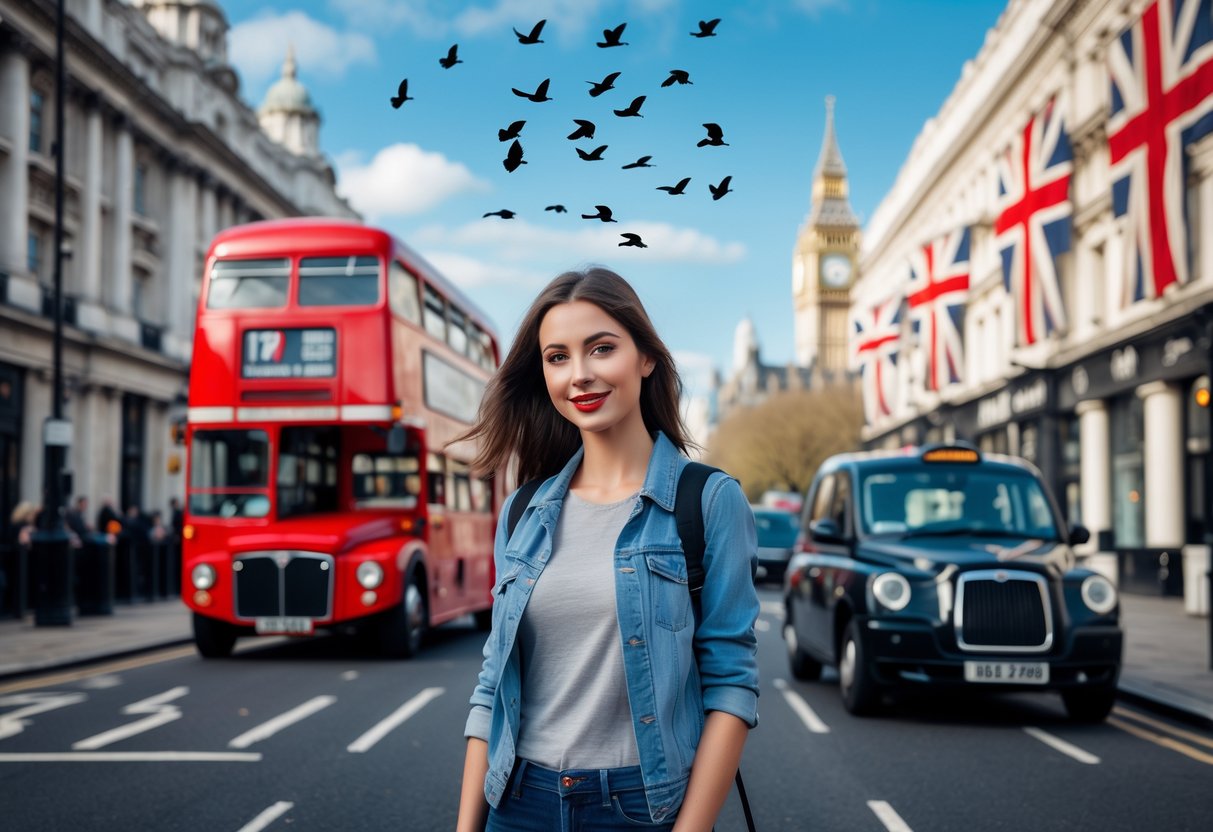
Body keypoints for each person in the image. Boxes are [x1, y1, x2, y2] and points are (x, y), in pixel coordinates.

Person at [455, 268, 759, 831]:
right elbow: (491, 683)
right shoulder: (523, 512)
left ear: (646, 357)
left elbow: (731, 685)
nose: (580, 375)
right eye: (557, 357)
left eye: (601, 348)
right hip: (517, 803)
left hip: (643, 807)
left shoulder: (708, 501)